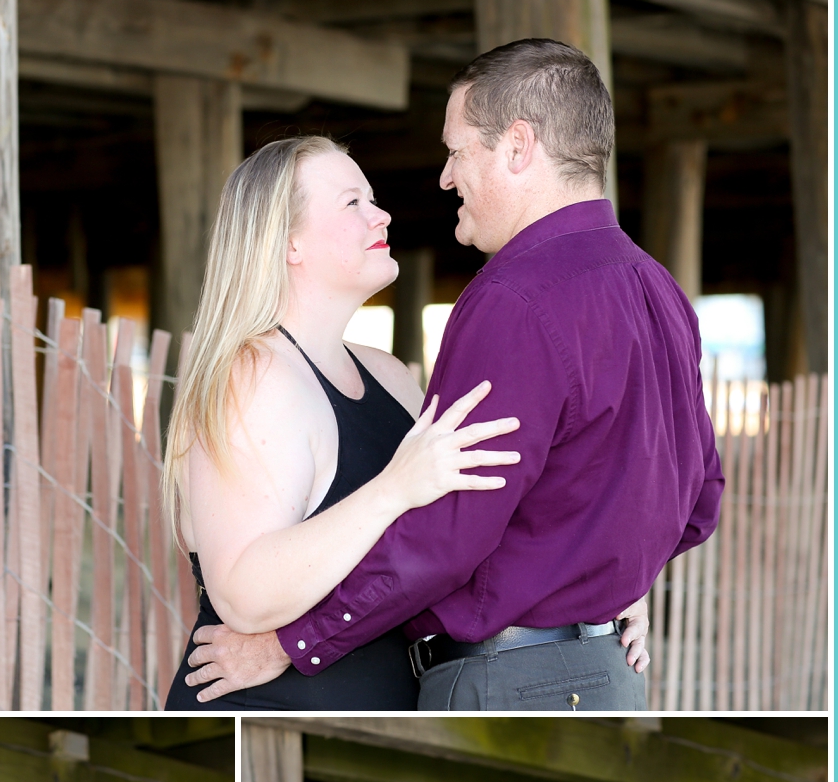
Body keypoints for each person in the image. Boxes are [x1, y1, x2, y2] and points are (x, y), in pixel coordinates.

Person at [188, 37, 718, 711]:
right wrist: (607, 590)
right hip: (609, 675)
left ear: (518, 146)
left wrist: (290, 644)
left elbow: (449, 537)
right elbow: (698, 498)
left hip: (511, 682)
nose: (443, 177)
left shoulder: (510, 301)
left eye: (458, 150)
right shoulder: (659, 288)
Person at [162, 133, 526, 711]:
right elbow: (244, 594)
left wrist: (603, 593)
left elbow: (464, 537)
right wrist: (393, 489)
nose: (380, 214)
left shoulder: (390, 376)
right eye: (352, 202)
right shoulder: (252, 374)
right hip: (270, 715)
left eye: (373, 198)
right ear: (288, 244)